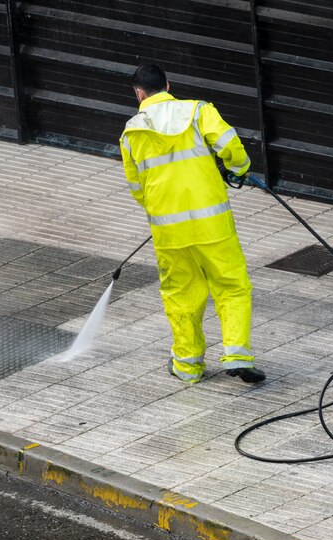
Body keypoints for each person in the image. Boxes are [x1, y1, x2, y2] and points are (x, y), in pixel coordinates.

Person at [119, 62, 265, 384]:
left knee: (181, 295)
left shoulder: (130, 133)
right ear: (168, 86)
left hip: (170, 232)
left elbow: (136, 188)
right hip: (213, 226)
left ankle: (187, 366)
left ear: (139, 94)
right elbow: (230, 144)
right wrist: (238, 169)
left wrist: (163, 210)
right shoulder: (198, 111)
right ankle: (237, 354)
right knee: (232, 286)